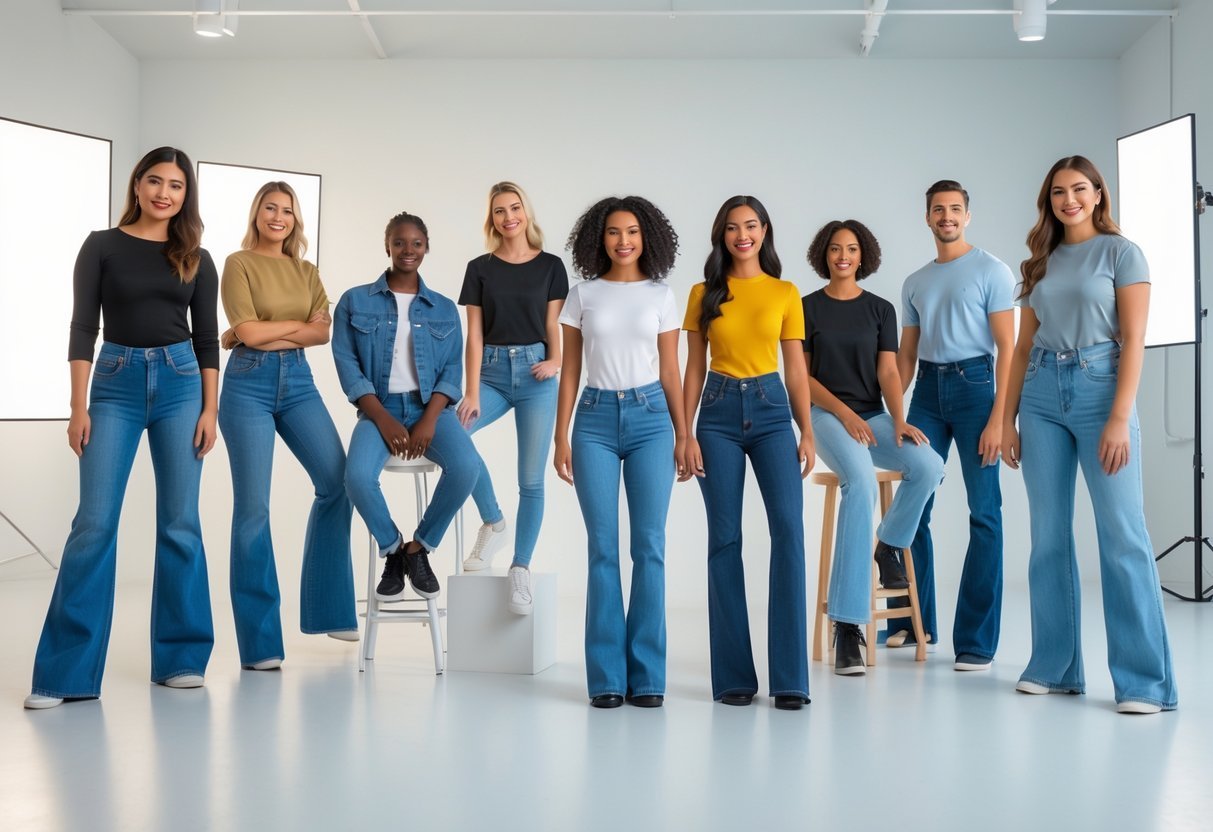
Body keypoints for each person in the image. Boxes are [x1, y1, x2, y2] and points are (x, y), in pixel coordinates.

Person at [26, 147, 218, 709]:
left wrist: (210, 408)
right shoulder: (101, 245)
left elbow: (207, 338)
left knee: (181, 521)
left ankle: (182, 658)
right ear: (137, 185)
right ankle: (64, 674)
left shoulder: (196, 258)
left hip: (183, 383)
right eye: (155, 181)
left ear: (186, 195)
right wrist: (77, 405)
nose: (164, 192)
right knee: (93, 523)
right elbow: (83, 325)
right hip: (114, 382)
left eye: (176, 185)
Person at [1002, 155, 1177, 714]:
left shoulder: (1123, 254)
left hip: (1102, 391)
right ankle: (1054, 668)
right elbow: (1023, 347)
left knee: (1123, 536)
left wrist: (1120, 417)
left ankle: (1145, 683)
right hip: (1040, 394)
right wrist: (1004, 418)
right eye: (1058, 191)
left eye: (1080, 189)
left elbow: (1134, 336)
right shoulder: (1040, 262)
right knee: (1048, 536)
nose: (1069, 199)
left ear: (1099, 194)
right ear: (1048, 200)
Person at [217, 181, 357, 671]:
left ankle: (329, 608)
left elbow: (322, 332)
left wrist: (249, 333)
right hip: (246, 389)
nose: (279, 217)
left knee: (338, 480)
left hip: (299, 383)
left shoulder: (306, 270)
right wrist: (254, 333)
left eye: (288, 211)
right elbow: (257, 331)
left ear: (296, 220)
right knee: (254, 509)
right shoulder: (238, 263)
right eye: (271, 208)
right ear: (257, 213)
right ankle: (260, 645)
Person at [554, 196, 688, 709]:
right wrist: (561, 435)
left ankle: (648, 676)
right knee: (603, 548)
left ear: (646, 237)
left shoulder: (661, 294)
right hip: (592, 422)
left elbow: (671, 370)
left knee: (649, 547)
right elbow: (570, 370)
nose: (623, 240)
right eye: (613, 232)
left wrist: (682, 433)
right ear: (598, 238)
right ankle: (607, 678)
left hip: (653, 419)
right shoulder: (582, 294)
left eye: (632, 231)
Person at [681, 195, 814, 710]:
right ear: (722, 235)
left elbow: (796, 368)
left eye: (751, 226)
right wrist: (685, 432)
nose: (743, 235)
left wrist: (807, 430)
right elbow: (693, 366)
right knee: (725, 539)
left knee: (788, 530)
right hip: (715, 413)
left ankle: (790, 679)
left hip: (772, 410)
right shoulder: (702, 293)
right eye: (733, 227)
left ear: (764, 231)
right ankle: (733, 677)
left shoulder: (785, 292)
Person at [803, 219, 944, 677]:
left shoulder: (881, 309)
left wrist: (899, 420)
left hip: (874, 415)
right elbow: (800, 379)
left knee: (928, 464)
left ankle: (889, 544)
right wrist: (843, 415)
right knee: (860, 479)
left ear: (864, 256)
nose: (843, 256)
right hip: (824, 415)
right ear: (824, 254)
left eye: (852, 249)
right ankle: (848, 625)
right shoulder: (806, 308)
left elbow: (888, 373)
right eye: (835, 249)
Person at [889, 180, 1015, 671]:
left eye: (955, 209)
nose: (947, 217)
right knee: (914, 505)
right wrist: (894, 415)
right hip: (927, 393)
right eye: (938, 210)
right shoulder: (915, 281)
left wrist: (1000, 418)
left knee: (984, 512)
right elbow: (905, 356)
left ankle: (976, 640)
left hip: (977, 388)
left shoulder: (991, 270)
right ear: (927, 217)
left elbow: (1008, 347)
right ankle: (913, 623)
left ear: (967, 215)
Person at [335, 211, 482, 606]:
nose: (408, 250)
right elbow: (347, 365)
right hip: (378, 409)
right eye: (399, 242)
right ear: (387, 246)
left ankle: (420, 549)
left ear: (426, 248)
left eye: (416, 243)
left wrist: (430, 419)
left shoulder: (444, 308)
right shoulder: (354, 301)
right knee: (357, 477)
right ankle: (393, 548)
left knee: (467, 467)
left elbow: (453, 368)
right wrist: (381, 418)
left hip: (429, 408)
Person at [457, 182, 568, 615]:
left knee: (532, 480)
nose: (509, 217)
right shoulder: (480, 268)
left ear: (527, 212)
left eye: (515, 208)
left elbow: (553, 323)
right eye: (500, 211)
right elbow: (475, 334)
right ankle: (493, 521)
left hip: (537, 374)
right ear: (492, 219)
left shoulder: (551, 266)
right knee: (451, 433)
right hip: (491, 373)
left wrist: (555, 360)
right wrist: (470, 390)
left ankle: (520, 568)